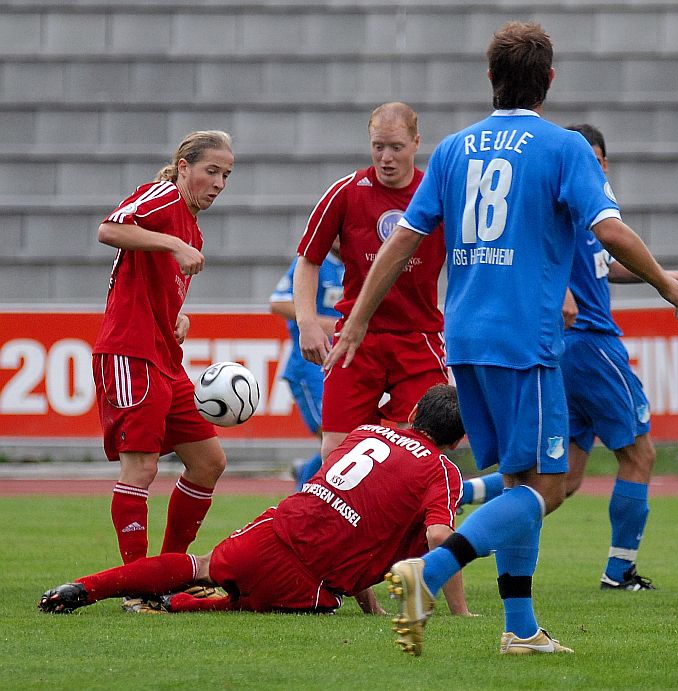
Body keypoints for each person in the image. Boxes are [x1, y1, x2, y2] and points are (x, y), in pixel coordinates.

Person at [325, 22, 678, 656]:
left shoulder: (456, 149)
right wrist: (663, 282)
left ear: (491, 79)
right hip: (528, 342)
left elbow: (403, 239)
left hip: (463, 338)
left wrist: (354, 319)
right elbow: (611, 230)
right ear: (548, 80)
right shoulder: (563, 147)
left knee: (519, 478)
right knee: (546, 489)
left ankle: (519, 629)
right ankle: (426, 574)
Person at [39, 385, 472, 618]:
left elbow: (352, 507)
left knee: (201, 565)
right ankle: (187, 604)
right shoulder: (443, 471)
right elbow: (435, 535)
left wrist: (368, 596)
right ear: (457, 439)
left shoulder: (365, 432)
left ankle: (87, 587)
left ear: (413, 412)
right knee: (249, 602)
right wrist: (460, 611)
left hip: (278, 528)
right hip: (312, 579)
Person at [92, 131, 234, 610]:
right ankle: (136, 585)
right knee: (143, 467)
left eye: (226, 176)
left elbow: (143, 276)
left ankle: (168, 572)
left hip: (164, 359)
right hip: (129, 353)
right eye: (211, 171)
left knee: (209, 462)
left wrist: (176, 315)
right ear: (183, 165)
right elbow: (109, 229)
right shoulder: (166, 196)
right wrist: (171, 242)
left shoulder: (192, 228)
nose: (218, 183)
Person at [560, 123, 678, 590]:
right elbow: (610, 243)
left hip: (562, 351)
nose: (593, 167)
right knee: (640, 454)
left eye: (598, 159)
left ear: (605, 162)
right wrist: (661, 282)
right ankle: (619, 573)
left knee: (560, 480)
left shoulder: (572, 214)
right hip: (592, 344)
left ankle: (457, 503)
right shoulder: (585, 211)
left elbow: (604, 265)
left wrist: (656, 270)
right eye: (586, 160)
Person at [293, 102, 448, 463]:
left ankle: (420, 517)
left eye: (396, 147)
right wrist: (307, 322)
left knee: (422, 451)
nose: (386, 157)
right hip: (356, 339)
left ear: (416, 143)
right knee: (335, 453)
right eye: (378, 146)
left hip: (418, 337)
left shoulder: (437, 195)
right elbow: (308, 259)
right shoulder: (347, 191)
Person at [269, 239, 344, 490]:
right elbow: (278, 302)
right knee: (332, 434)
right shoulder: (314, 263)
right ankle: (304, 488)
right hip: (310, 364)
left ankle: (306, 470)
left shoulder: (357, 262)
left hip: (343, 364)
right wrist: (321, 323)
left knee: (345, 438)